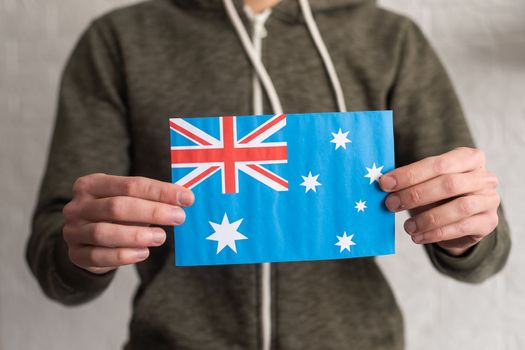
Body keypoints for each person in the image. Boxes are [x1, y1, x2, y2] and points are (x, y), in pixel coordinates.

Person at [26, 0, 511, 349]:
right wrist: (81, 250)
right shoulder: (119, 41)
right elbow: (54, 258)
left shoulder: (390, 39)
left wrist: (465, 230)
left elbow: (486, 251)